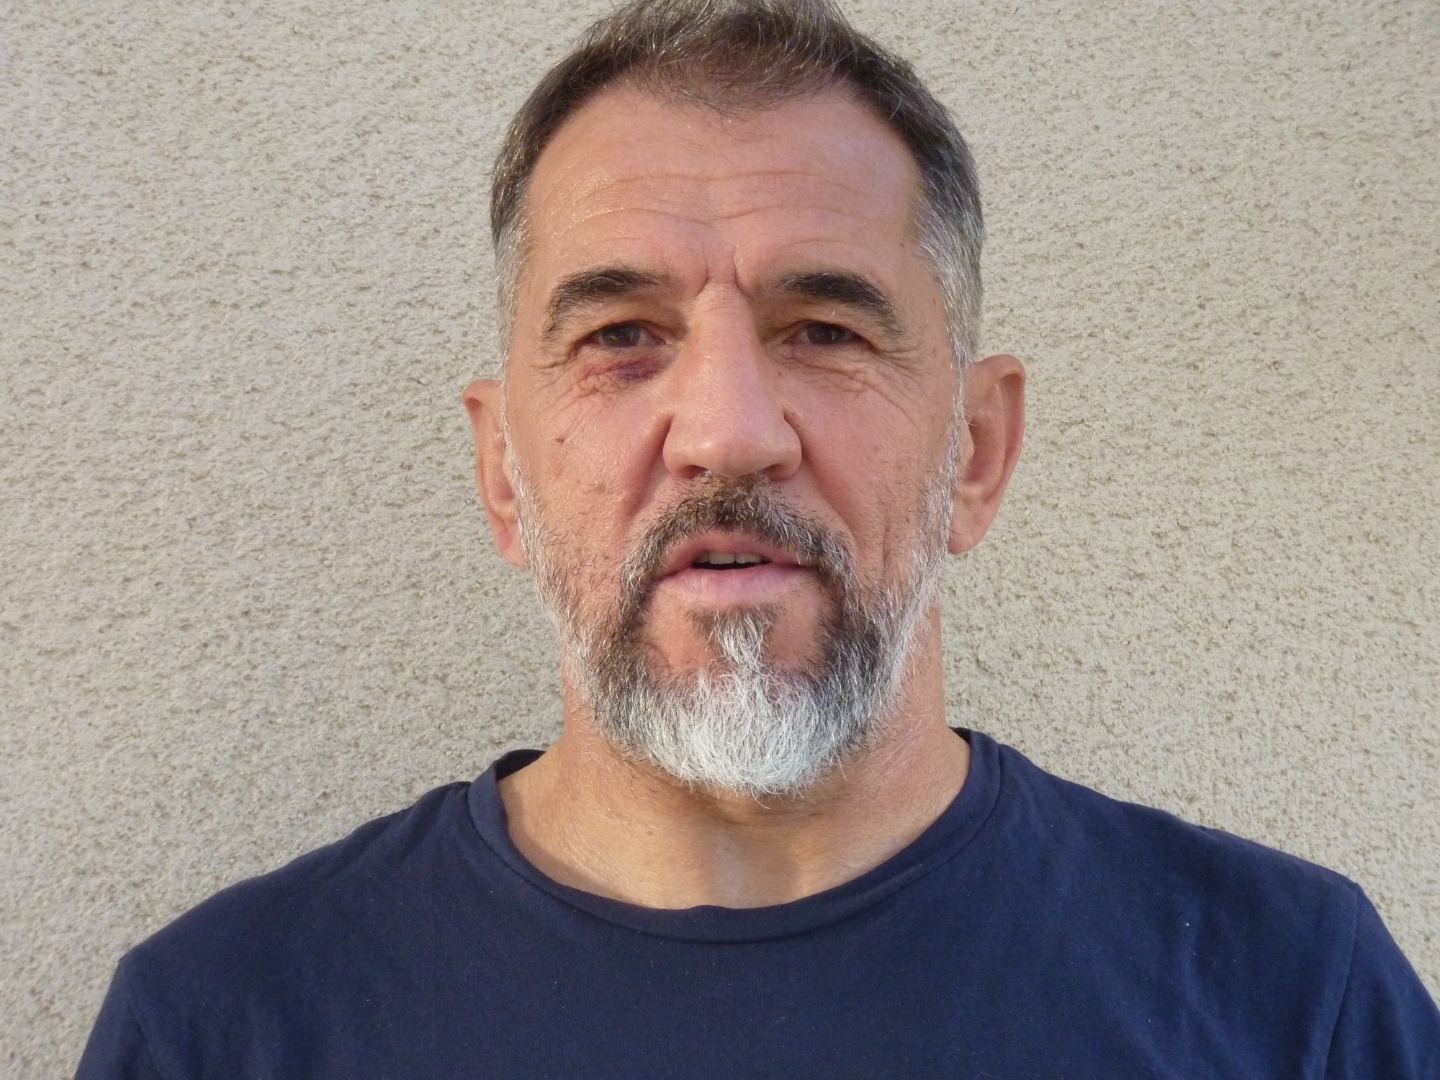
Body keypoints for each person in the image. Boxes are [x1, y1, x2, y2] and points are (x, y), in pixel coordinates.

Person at [77, 0, 1439, 1076]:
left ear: (975, 451)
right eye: (622, 336)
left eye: (824, 330)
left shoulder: (1289, 998)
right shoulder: (227, 1024)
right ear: (503, 472)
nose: (728, 433)